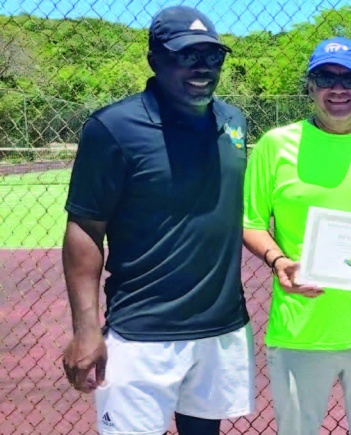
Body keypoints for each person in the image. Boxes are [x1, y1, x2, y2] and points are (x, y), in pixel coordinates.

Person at [61, 6, 254, 435]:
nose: (201, 67)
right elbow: (85, 228)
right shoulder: (113, 128)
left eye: (212, 56)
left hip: (220, 328)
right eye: (186, 56)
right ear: (154, 59)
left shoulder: (233, 122)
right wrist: (86, 329)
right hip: (142, 333)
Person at [241, 36, 351, 435]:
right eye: (325, 78)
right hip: (300, 330)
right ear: (310, 87)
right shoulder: (275, 145)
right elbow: (250, 222)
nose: (338, 89)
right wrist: (279, 261)